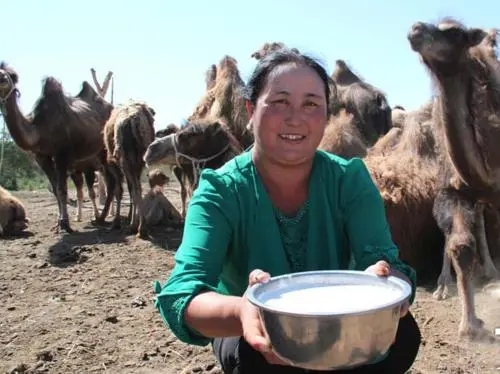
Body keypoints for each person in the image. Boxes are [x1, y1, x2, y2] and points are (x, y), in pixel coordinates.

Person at [153, 49, 421, 373]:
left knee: (401, 334)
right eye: (279, 102)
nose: (295, 118)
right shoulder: (220, 191)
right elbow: (182, 294)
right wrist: (243, 312)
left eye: (311, 104)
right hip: (252, 335)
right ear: (251, 110)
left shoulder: (350, 180)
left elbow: (385, 261)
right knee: (256, 356)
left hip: (339, 328)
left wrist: (386, 278)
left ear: (326, 116)